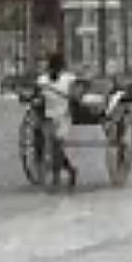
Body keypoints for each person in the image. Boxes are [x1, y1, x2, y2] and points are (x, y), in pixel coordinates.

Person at [37, 51, 78, 188]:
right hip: (49, 117)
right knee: (55, 147)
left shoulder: (69, 79)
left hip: (63, 116)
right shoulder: (42, 81)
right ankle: (69, 170)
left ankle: (57, 176)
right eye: (52, 67)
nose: (53, 70)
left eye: (56, 67)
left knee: (56, 146)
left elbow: (74, 95)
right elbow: (39, 98)